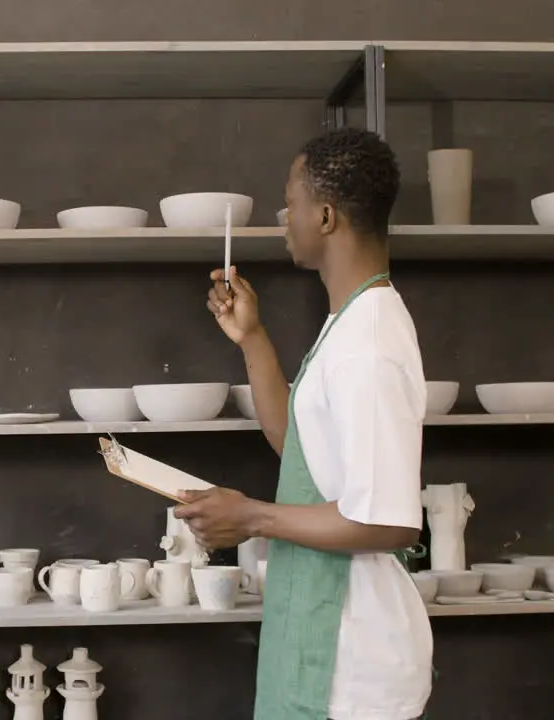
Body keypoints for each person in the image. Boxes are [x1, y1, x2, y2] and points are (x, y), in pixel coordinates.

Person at [173, 127, 432, 720]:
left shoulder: (369, 343)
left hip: (356, 669)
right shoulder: (349, 322)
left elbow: (389, 523)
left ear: (325, 215)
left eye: (289, 201)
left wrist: (252, 516)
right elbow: (301, 451)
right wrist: (252, 338)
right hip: (330, 645)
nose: (283, 215)